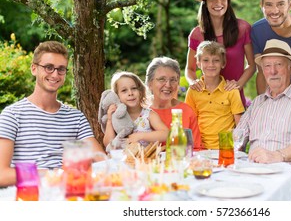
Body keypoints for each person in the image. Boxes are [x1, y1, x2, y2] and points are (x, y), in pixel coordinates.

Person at [0, 41, 104, 187]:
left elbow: (103, 162)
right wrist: (51, 173)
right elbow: (2, 175)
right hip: (29, 196)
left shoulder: (76, 118)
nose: (55, 74)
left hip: (71, 194)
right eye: (49, 67)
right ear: (34, 69)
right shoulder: (12, 115)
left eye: (61, 69)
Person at [234, 39, 291, 201]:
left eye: (279, 65)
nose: (273, 71)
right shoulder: (257, 103)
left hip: (290, 176)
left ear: (290, 68)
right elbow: (237, 138)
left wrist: (277, 156)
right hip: (253, 172)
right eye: (267, 66)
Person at [186, 0, 256, 107]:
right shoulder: (197, 34)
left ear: (228, 1)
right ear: (205, 2)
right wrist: (193, 82)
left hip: (234, 98)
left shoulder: (243, 28)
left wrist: (238, 85)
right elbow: (190, 69)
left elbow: (252, 65)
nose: (218, 2)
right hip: (207, 101)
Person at [185, 41, 245, 149]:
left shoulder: (231, 90)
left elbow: (240, 125)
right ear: (198, 63)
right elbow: (189, 122)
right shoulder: (193, 91)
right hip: (200, 148)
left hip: (226, 148)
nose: (211, 65)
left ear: (223, 63)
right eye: (206, 60)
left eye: (216, 60)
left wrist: (238, 149)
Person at [146, 57, 203, 150]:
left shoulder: (186, 111)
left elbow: (196, 149)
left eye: (173, 80)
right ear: (150, 83)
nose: (168, 85)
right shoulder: (140, 110)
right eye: (161, 79)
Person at [103, 71, 168, 149]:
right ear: (117, 96)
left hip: (145, 159)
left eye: (134, 88)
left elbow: (166, 134)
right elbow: (108, 144)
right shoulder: (117, 117)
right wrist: (109, 121)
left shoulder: (149, 115)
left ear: (140, 92)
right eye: (124, 90)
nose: (130, 93)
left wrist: (140, 136)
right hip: (122, 159)